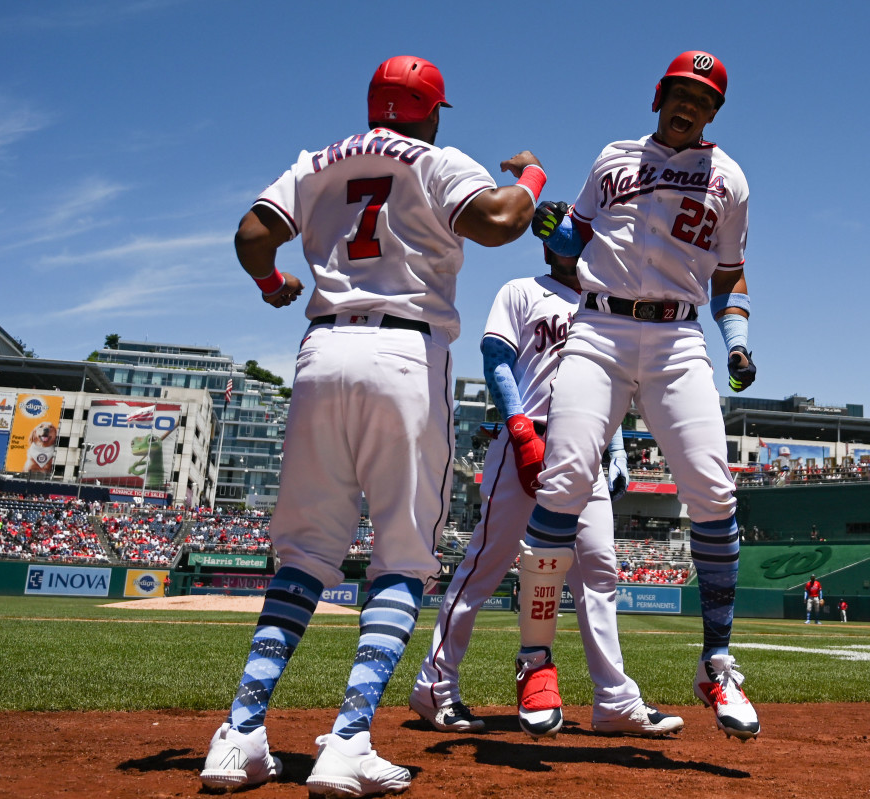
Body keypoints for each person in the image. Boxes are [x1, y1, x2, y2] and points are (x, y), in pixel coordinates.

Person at [200, 55, 546, 796]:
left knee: (303, 554)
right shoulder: (436, 158)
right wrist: (532, 176)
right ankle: (349, 738)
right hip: (403, 351)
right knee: (401, 555)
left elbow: (252, 234)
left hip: (321, 349)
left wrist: (271, 284)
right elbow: (500, 223)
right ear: (429, 110)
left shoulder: (319, 158)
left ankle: (239, 733)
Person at [521, 50, 760, 741]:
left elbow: (731, 276)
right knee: (564, 480)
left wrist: (737, 340)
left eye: (704, 98)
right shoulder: (613, 158)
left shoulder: (731, 180)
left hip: (680, 339)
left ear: (714, 112)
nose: (689, 105)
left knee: (714, 491)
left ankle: (716, 661)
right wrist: (552, 227)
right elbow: (571, 245)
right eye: (681, 92)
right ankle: (535, 657)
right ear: (659, 96)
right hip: (597, 327)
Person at [410, 238, 682, 740]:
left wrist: (615, 449)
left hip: (585, 448)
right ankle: (435, 686)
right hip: (525, 440)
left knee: (599, 574)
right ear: (552, 248)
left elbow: (607, 384)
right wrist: (516, 428)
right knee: (483, 570)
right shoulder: (521, 290)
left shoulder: (602, 304)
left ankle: (615, 701)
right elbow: (496, 360)